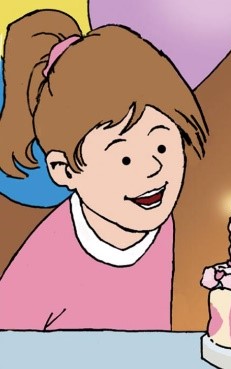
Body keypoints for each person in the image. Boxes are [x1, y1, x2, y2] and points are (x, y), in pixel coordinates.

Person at [0, 10, 208, 330]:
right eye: (125, 160)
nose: (154, 168)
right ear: (63, 170)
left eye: (163, 147)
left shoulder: (155, 221)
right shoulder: (43, 267)